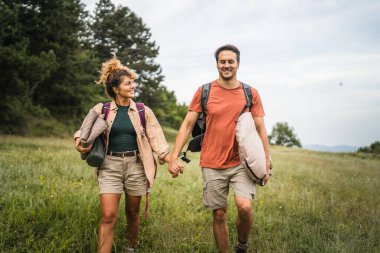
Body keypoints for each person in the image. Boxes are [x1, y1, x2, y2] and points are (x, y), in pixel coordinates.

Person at [169, 44, 271, 253]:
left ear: (238, 64)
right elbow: (187, 125)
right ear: (217, 64)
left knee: (245, 207)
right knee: (220, 213)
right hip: (212, 162)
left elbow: (260, 128)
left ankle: (241, 245)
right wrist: (173, 157)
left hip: (241, 162)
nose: (226, 65)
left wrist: (266, 160)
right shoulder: (204, 91)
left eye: (230, 61)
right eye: (222, 61)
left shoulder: (250, 93)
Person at [74, 57, 173, 253]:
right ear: (116, 89)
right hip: (109, 165)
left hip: (137, 165)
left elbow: (158, 141)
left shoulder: (143, 111)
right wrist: (79, 144)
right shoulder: (100, 109)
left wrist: (170, 161)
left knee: (132, 213)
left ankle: (130, 247)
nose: (133, 86)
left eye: (133, 82)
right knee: (108, 215)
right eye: (128, 83)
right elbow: (81, 133)